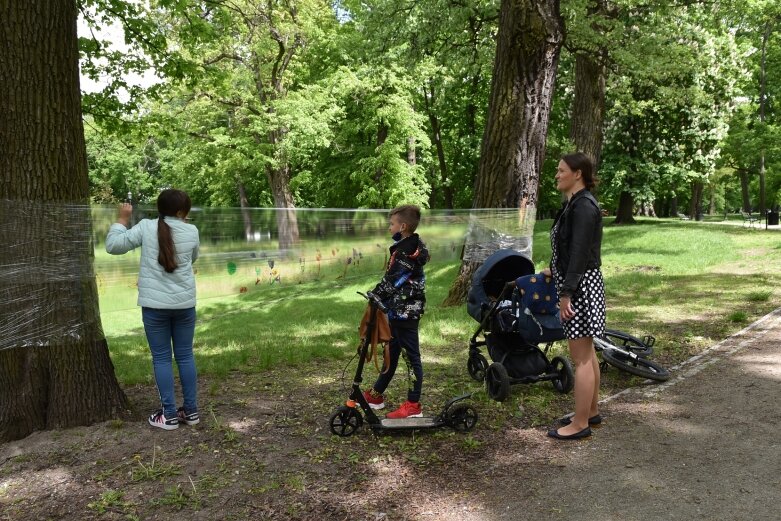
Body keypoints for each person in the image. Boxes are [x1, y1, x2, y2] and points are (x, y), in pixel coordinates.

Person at [105, 189, 201, 430]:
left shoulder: (146, 227)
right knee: (185, 356)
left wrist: (123, 219)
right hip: (185, 305)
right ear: (181, 212)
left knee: (161, 358)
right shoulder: (192, 230)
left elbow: (113, 245)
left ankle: (168, 415)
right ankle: (191, 412)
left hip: (154, 307)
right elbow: (192, 258)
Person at [545, 153, 605, 440]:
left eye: (561, 170)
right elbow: (571, 249)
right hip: (578, 282)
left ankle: (579, 424)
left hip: (579, 287)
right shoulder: (574, 204)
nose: (557, 175)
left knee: (580, 357)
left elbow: (581, 254)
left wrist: (566, 293)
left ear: (577, 174)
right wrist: (553, 270)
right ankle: (590, 412)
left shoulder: (583, 207)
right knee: (587, 352)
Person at [363, 205, 430, 419]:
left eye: (391, 224)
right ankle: (376, 395)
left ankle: (413, 405)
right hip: (398, 310)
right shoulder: (407, 246)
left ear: (403, 226)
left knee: (412, 358)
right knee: (390, 353)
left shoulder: (405, 251)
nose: (389, 227)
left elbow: (393, 280)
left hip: (406, 312)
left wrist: (375, 295)